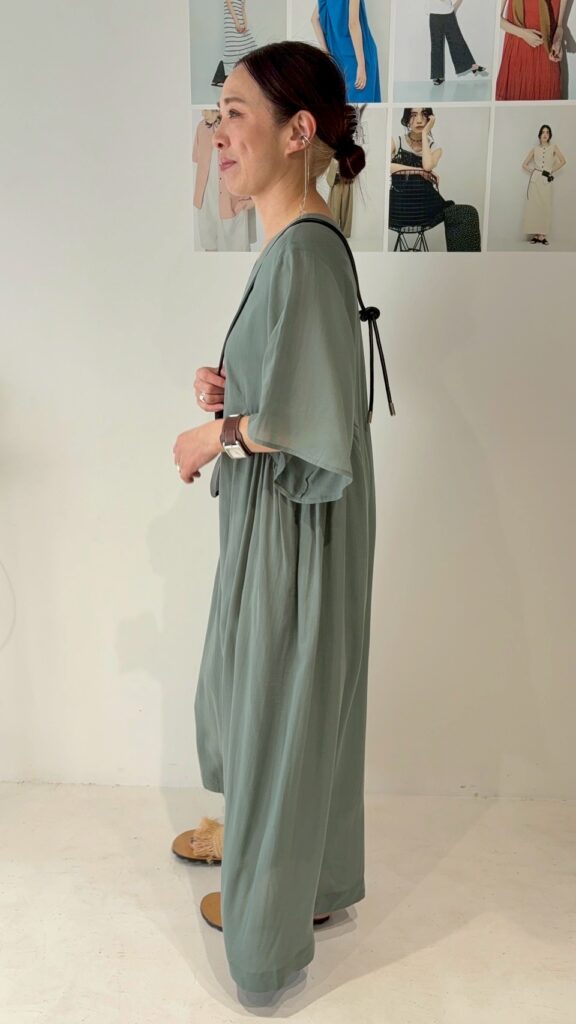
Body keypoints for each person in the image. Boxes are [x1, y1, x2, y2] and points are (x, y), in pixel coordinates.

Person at [172, 41, 378, 993]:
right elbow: (301, 385)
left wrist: (211, 436)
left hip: (295, 529)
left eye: (236, 113)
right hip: (294, 522)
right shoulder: (300, 247)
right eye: (217, 115)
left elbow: (311, 424)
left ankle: (265, 935)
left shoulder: (302, 253)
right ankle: (309, 882)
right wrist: (237, 390)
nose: (219, 134)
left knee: (276, 705)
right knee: (289, 699)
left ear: (298, 132)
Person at [496, 0, 568, 100]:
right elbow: (496, 19)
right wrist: (523, 34)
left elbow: (559, 26)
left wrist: (558, 40)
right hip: (518, 56)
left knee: (548, 106)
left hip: (546, 56)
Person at [311, 0, 381, 101]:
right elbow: (353, 24)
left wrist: (327, 55)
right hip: (359, 57)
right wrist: (361, 64)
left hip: (338, 59)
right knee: (364, 107)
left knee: (345, 107)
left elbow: (314, 19)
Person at [522, 124, 567, 245]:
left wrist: (551, 170)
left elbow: (563, 161)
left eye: (547, 132)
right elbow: (524, 164)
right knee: (534, 207)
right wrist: (533, 171)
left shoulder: (554, 147)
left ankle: (542, 235)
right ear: (540, 135)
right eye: (543, 132)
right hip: (535, 181)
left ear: (550, 135)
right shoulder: (534, 149)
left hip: (546, 181)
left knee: (545, 207)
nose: (545, 134)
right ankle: (536, 235)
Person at [428, 0, 487, 86]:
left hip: (449, 13)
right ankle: (437, 76)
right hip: (434, 14)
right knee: (436, 45)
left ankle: (472, 66)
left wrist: (453, 9)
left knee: (457, 40)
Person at [212, 0, 258, 87]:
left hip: (241, 23)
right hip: (232, 21)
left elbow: (242, 8)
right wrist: (236, 23)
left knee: (250, 46)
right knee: (232, 48)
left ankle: (242, 77)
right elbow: (229, 3)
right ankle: (223, 78)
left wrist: (245, 24)